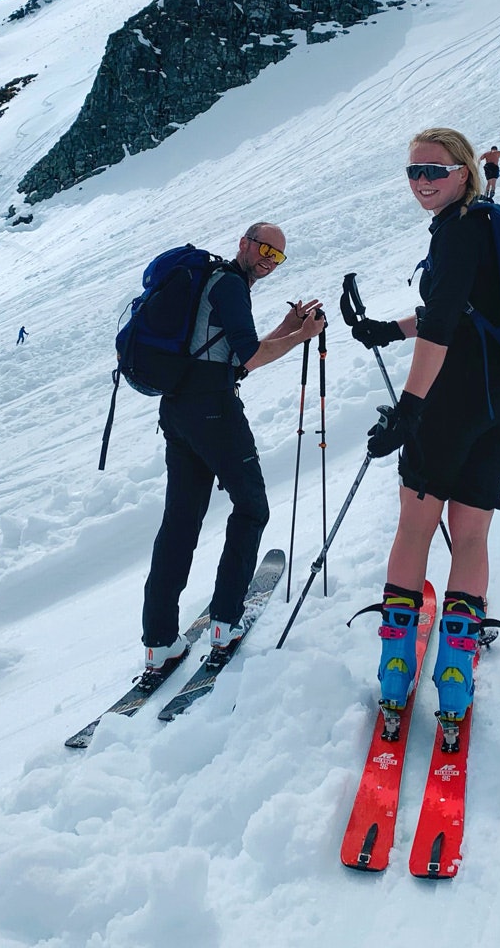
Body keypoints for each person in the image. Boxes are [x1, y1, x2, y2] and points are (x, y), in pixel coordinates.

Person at [351, 128, 500, 743]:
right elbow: (466, 307)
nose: (422, 182)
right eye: (413, 171)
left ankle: (395, 675)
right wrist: (388, 328)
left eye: (434, 170)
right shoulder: (490, 225)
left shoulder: (456, 231)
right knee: (473, 534)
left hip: (453, 400)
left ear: (463, 171)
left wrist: (409, 409)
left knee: (415, 528)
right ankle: (455, 682)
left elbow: (444, 328)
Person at [140, 222, 322, 672]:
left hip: (179, 409)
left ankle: (159, 642)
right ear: (244, 243)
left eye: (277, 256)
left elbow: (234, 355)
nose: (268, 260)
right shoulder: (231, 286)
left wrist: (287, 327)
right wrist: (302, 336)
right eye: (264, 249)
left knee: (180, 522)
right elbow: (251, 358)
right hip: (214, 413)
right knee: (252, 508)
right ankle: (225, 622)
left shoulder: (214, 281)